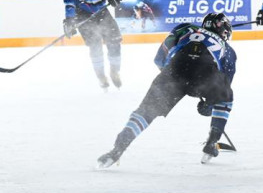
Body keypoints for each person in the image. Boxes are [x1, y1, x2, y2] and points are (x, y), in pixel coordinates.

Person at [97, 13, 236, 167]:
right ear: (225, 31)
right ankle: (212, 142)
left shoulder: (185, 28)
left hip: (175, 69)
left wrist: (170, 79)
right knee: (226, 99)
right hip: (206, 73)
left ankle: (117, 149)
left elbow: (159, 58)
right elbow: (224, 85)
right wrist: (209, 104)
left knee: (145, 112)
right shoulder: (229, 50)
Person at [63, 0, 124, 89]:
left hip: (102, 9)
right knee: (95, 46)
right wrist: (70, 18)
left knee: (114, 41)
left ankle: (114, 72)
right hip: (83, 13)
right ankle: (101, 76)